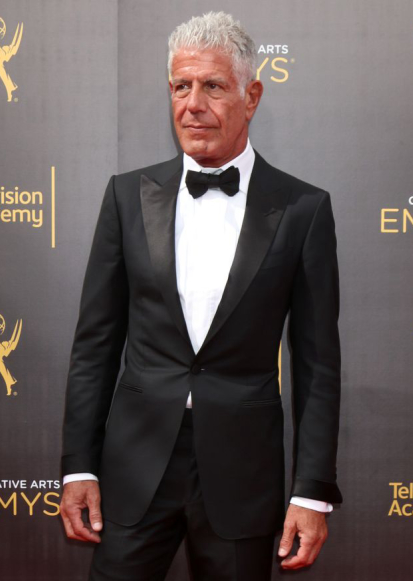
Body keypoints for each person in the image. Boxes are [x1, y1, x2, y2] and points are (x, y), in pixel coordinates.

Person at [60, 11, 342, 581]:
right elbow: (95, 345)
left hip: (242, 473)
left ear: (251, 95)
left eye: (213, 86)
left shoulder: (302, 210)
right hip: (134, 468)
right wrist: (77, 468)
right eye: (181, 86)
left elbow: (317, 364)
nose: (193, 104)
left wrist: (311, 493)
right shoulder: (125, 197)